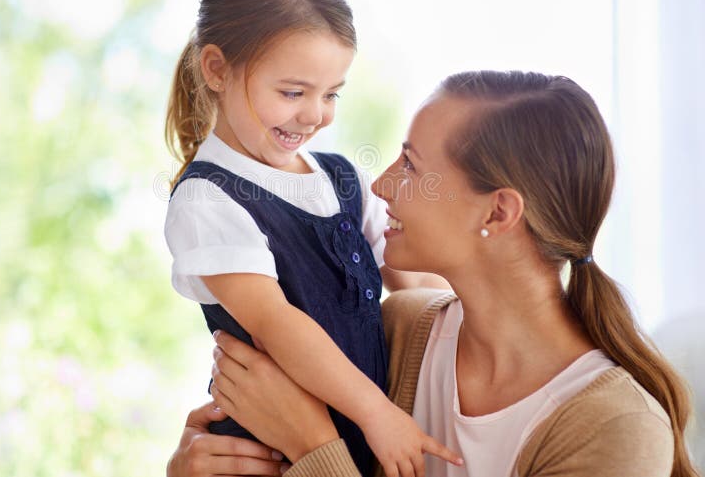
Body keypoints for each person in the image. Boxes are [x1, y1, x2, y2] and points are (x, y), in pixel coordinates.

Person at [169, 71, 699, 477]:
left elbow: (314, 445)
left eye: (412, 167)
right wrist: (196, 463)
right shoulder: (399, 332)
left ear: (497, 213)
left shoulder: (615, 426)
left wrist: (313, 446)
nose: (380, 186)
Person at [164, 0, 457, 477]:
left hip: (355, 444)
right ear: (216, 69)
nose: (316, 115)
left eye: (331, 94)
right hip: (269, 456)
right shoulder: (207, 199)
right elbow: (278, 326)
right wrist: (378, 415)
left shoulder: (343, 179)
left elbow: (416, 284)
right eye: (293, 92)